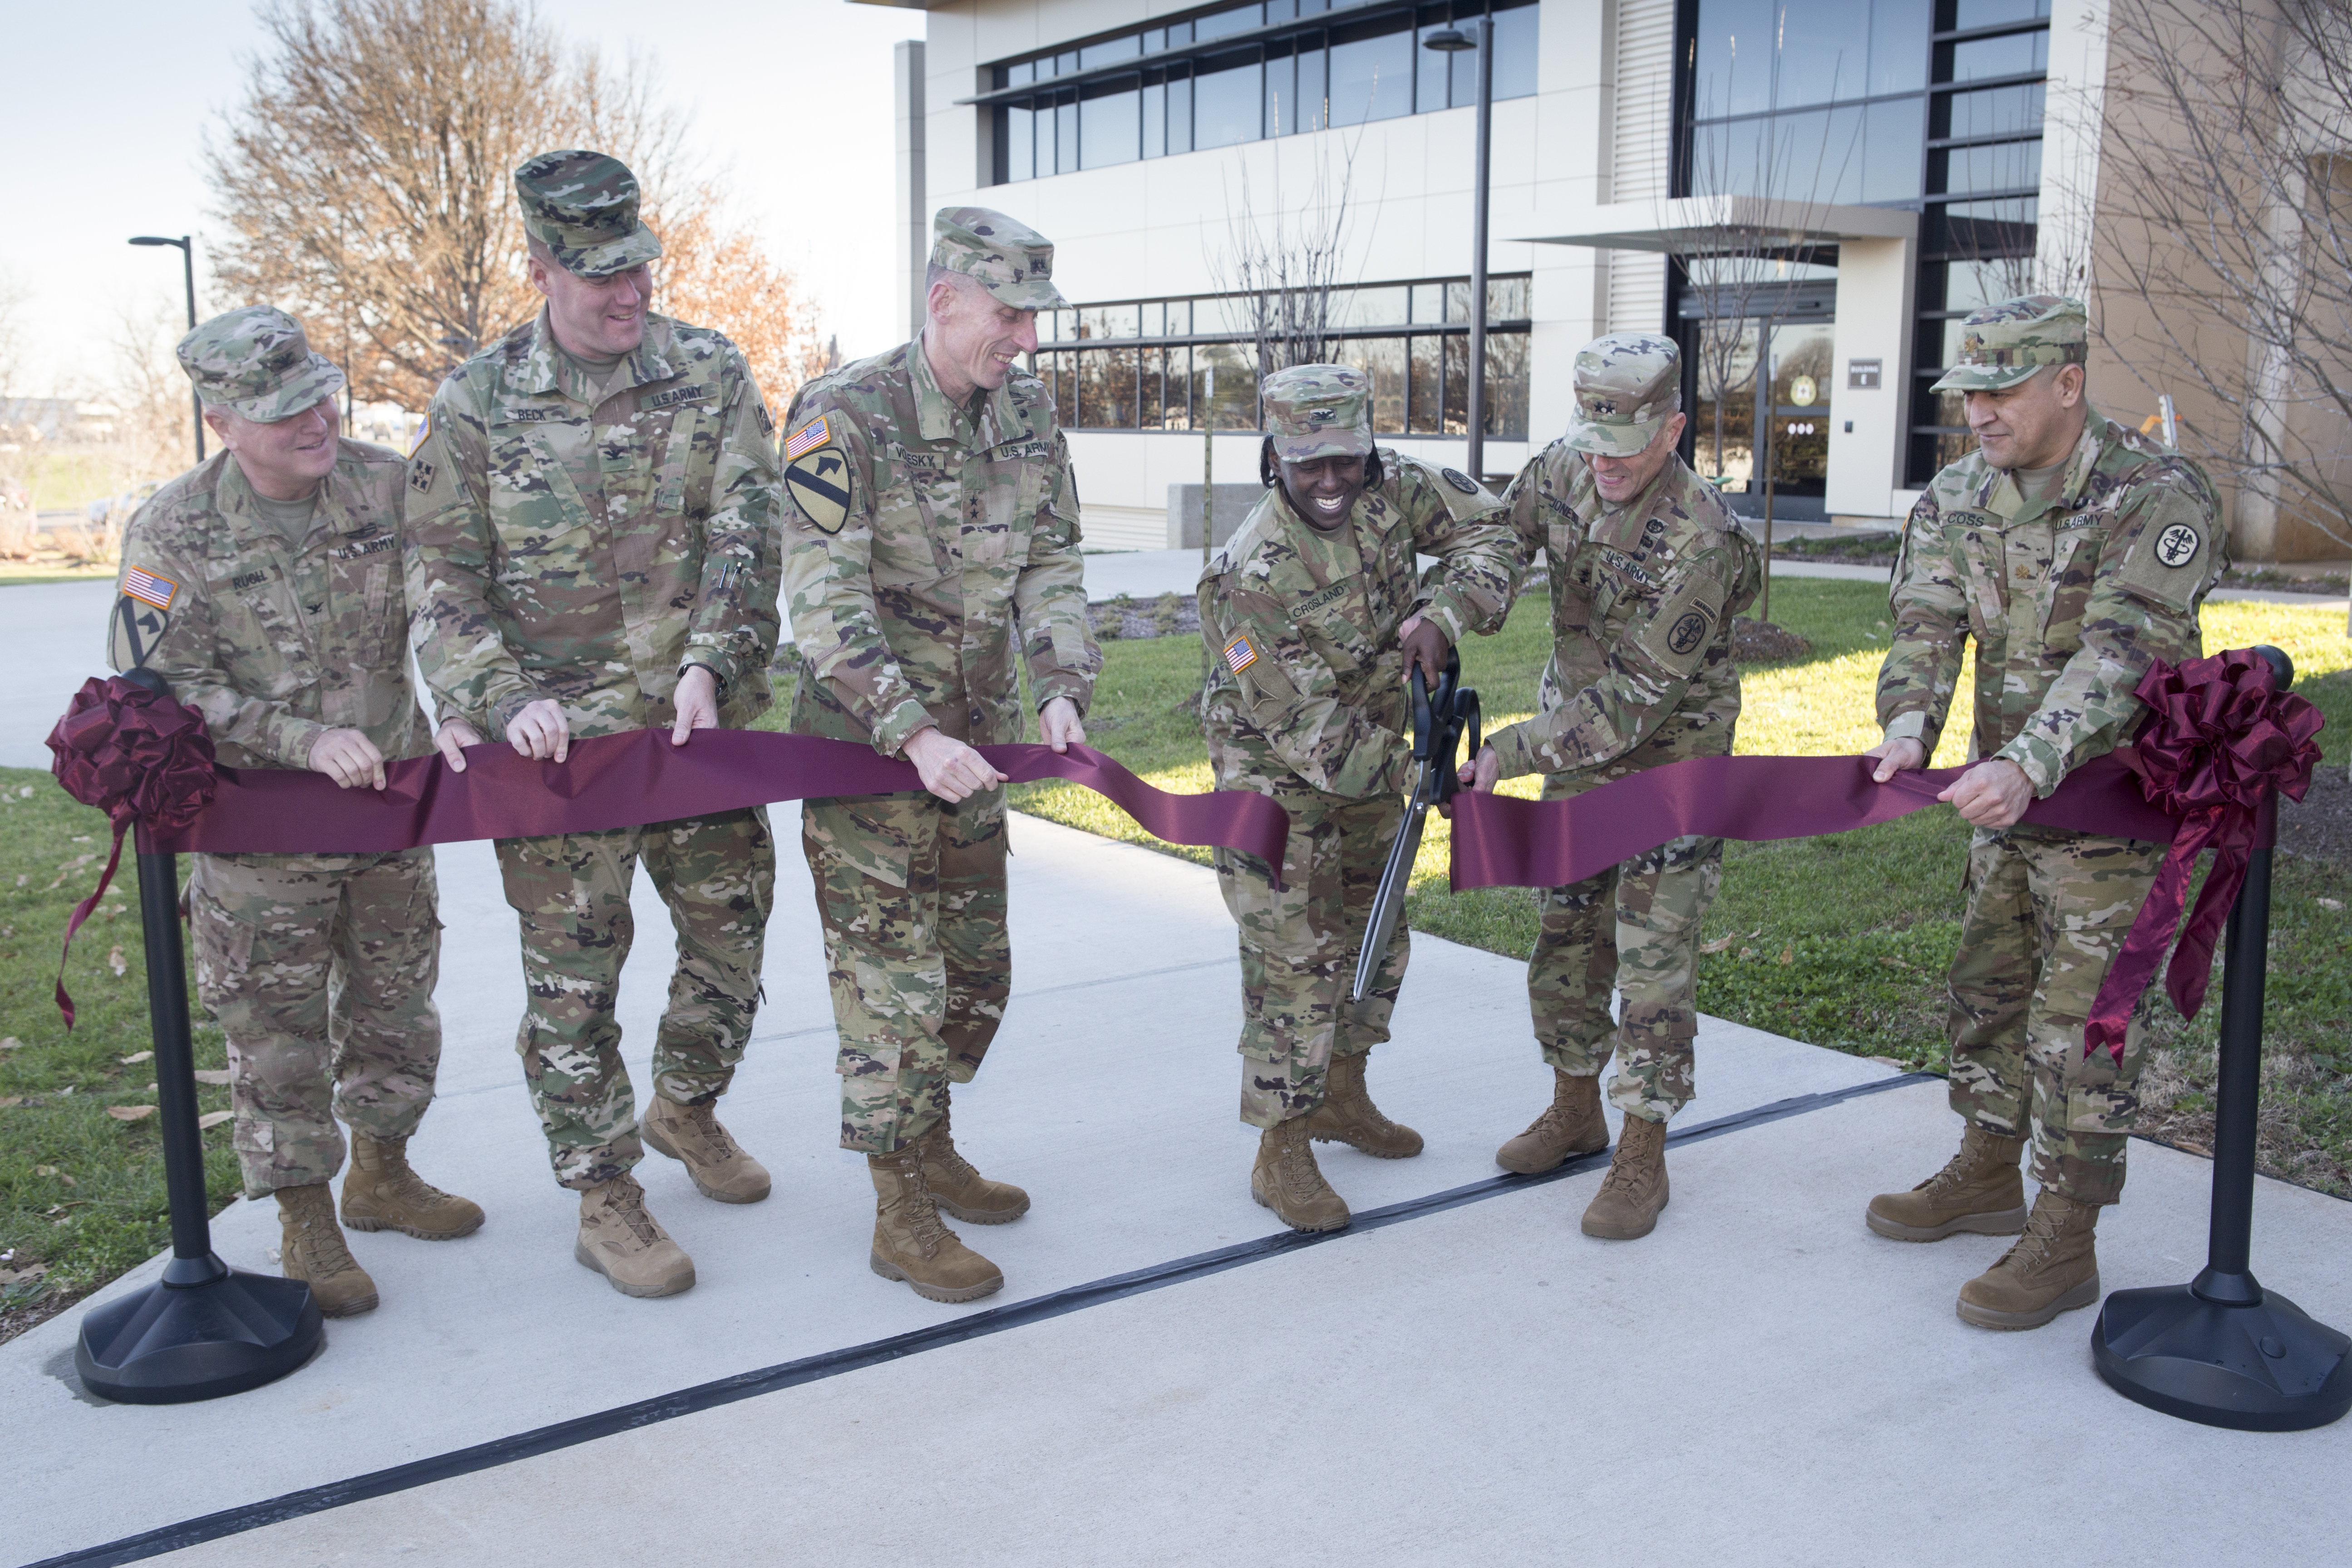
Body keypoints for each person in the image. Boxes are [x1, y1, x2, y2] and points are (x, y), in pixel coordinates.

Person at [404, 150, 782, 1300]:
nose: (627, 297)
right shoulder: (476, 402)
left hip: (692, 731)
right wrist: (503, 695)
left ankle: (686, 1105)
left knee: (731, 937)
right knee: (573, 975)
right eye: (597, 278)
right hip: (556, 754)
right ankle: (601, 1188)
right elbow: (438, 575)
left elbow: (748, 531)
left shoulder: (709, 372)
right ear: (538, 268)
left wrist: (714, 659)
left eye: (638, 272)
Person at [1862, 295, 2225, 1329]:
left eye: (1998, 389)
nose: (1975, 409)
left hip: (2111, 813)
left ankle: (2066, 1234)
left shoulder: (2150, 493)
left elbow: (2123, 649)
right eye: (1964, 391)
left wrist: (2027, 760)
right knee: (1986, 992)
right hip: (2003, 808)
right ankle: (1984, 1172)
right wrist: (1904, 727)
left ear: (2066, 382)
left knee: (2082, 1032)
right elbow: (1925, 622)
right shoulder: (1958, 492)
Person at [112, 306, 481, 1317]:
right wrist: (298, 738)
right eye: (284, 412)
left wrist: (465, 705)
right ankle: (304, 1213)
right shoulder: (171, 529)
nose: (317, 419)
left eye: (320, 393)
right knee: (275, 1033)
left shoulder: (384, 482)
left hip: (389, 813)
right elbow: (158, 682)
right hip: (259, 830)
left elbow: (449, 607)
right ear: (223, 419)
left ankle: (384, 1172)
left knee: (397, 1006)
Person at [778, 207, 1097, 1305]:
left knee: (973, 972)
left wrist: (1058, 688)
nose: (1026, 340)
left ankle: (934, 1145)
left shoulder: (1027, 417)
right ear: (942, 299)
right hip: (867, 759)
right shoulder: (842, 416)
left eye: (1034, 318)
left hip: (976, 755)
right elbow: (821, 598)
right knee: (891, 992)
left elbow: (1052, 559)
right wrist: (907, 729)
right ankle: (895, 1207)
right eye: (1008, 315)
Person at [1196, 365, 1516, 1232]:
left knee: (1375, 930)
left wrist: (1444, 613)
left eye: (1347, 459)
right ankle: (1281, 1146)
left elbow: (1497, 535)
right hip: (1276, 771)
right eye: (1310, 466)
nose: (1332, 482)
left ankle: (1342, 1093)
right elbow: (1305, 726)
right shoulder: (1247, 575)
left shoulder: (1396, 488)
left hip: (1376, 753)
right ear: (1274, 460)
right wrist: (1428, 775)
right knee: (1294, 955)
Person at [1459, 334, 1760, 1241]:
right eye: (1592, 438)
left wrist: (1506, 754)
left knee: (1652, 962)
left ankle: (1641, 1148)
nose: (1603, 462)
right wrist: (1450, 611)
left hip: (1669, 763)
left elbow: (1631, 701)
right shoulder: (1564, 464)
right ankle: (1572, 1106)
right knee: (1567, 937)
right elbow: (1497, 540)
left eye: (1624, 445)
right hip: (1577, 758)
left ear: (1671, 430)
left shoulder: (1703, 540)